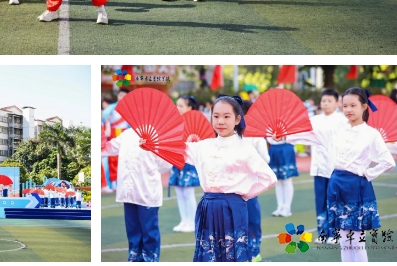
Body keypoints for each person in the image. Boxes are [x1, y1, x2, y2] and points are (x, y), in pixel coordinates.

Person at [183, 95, 277, 262]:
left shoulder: (245, 148)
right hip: (207, 207)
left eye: (227, 117)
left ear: (237, 119)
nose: (220, 121)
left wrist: (245, 194)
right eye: (216, 116)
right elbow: (176, 150)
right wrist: (151, 145)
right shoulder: (202, 146)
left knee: (233, 255)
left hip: (233, 207)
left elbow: (269, 178)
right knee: (209, 255)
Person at [327, 88, 395, 261]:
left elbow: (388, 161)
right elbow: (314, 137)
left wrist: (368, 173)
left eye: (353, 105)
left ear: (364, 106)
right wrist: (285, 137)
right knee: (344, 240)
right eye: (345, 106)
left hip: (356, 186)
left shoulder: (371, 134)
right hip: (336, 185)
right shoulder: (338, 130)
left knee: (357, 241)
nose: (348, 109)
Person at [102, 114, 173, 261]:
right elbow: (108, 148)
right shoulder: (126, 135)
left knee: (149, 231)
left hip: (147, 192)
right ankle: (134, 257)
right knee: (133, 229)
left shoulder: (156, 136)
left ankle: (150, 259)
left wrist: (151, 151)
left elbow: (166, 164)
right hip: (129, 192)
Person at [309, 89, 348, 243]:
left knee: (334, 201)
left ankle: (335, 233)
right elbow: (301, 134)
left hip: (335, 167)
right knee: (320, 201)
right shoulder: (314, 120)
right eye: (323, 101)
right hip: (318, 167)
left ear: (337, 103)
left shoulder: (342, 120)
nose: (325, 104)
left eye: (329, 101)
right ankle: (323, 233)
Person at [241, 100, 269, 262]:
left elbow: (265, 158)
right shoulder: (232, 135)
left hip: (248, 184)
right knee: (243, 219)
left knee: (250, 217)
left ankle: (253, 252)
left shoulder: (255, 135)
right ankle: (247, 252)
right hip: (238, 185)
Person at [169, 96, 201, 233]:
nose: (178, 108)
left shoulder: (195, 123)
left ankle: (192, 222)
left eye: (181, 106)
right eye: (177, 105)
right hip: (177, 159)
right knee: (179, 191)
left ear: (190, 108)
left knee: (188, 192)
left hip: (189, 161)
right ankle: (184, 220)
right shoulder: (174, 122)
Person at [268, 134, 298, 217]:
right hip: (273, 149)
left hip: (285, 147)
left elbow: (294, 134)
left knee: (286, 180)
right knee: (277, 181)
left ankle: (287, 207)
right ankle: (280, 206)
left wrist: (284, 136)